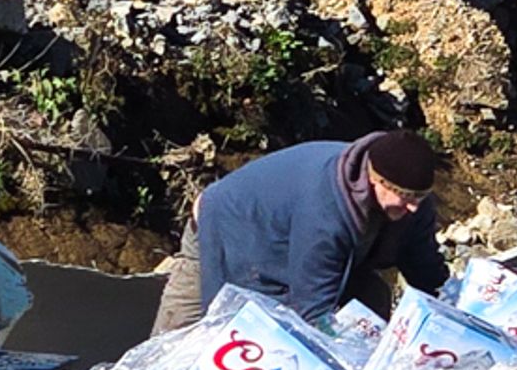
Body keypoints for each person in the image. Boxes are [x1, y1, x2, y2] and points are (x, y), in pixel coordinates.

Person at [156, 128, 447, 330]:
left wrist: (452, 310)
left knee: (370, 297)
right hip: (222, 230)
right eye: (403, 196)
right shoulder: (326, 208)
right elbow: (312, 309)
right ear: (375, 180)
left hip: (287, 242)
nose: (412, 207)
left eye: (419, 197)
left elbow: (425, 270)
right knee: (189, 342)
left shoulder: (414, 205)